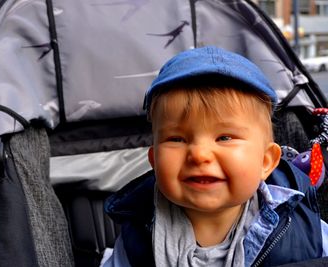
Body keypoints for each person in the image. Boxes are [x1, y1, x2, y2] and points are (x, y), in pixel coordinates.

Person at [103, 46, 328, 267]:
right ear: (154, 161)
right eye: (177, 139)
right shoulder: (137, 235)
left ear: (265, 161)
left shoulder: (302, 227)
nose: (199, 155)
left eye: (224, 138)